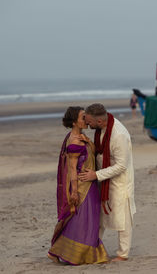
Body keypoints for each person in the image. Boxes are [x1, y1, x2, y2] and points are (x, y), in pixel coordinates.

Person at [48, 106, 109, 265]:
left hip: (90, 183)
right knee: (81, 221)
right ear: (75, 122)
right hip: (82, 186)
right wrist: (74, 192)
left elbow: (93, 155)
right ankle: (66, 252)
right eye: (83, 117)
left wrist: (89, 142)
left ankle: (58, 251)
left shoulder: (81, 137)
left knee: (86, 220)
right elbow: (72, 169)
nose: (86, 119)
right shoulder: (74, 140)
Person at [79, 104, 136, 262]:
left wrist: (96, 175)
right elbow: (99, 152)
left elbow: (121, 165)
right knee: (99, 216)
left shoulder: (118, 135)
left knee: (123, 217)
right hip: (103, 178)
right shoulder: (100, 130)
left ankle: (123, 254)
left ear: (99, 120)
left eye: (89, 121)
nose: (87, 124)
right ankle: (92, 248)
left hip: (120, 181)